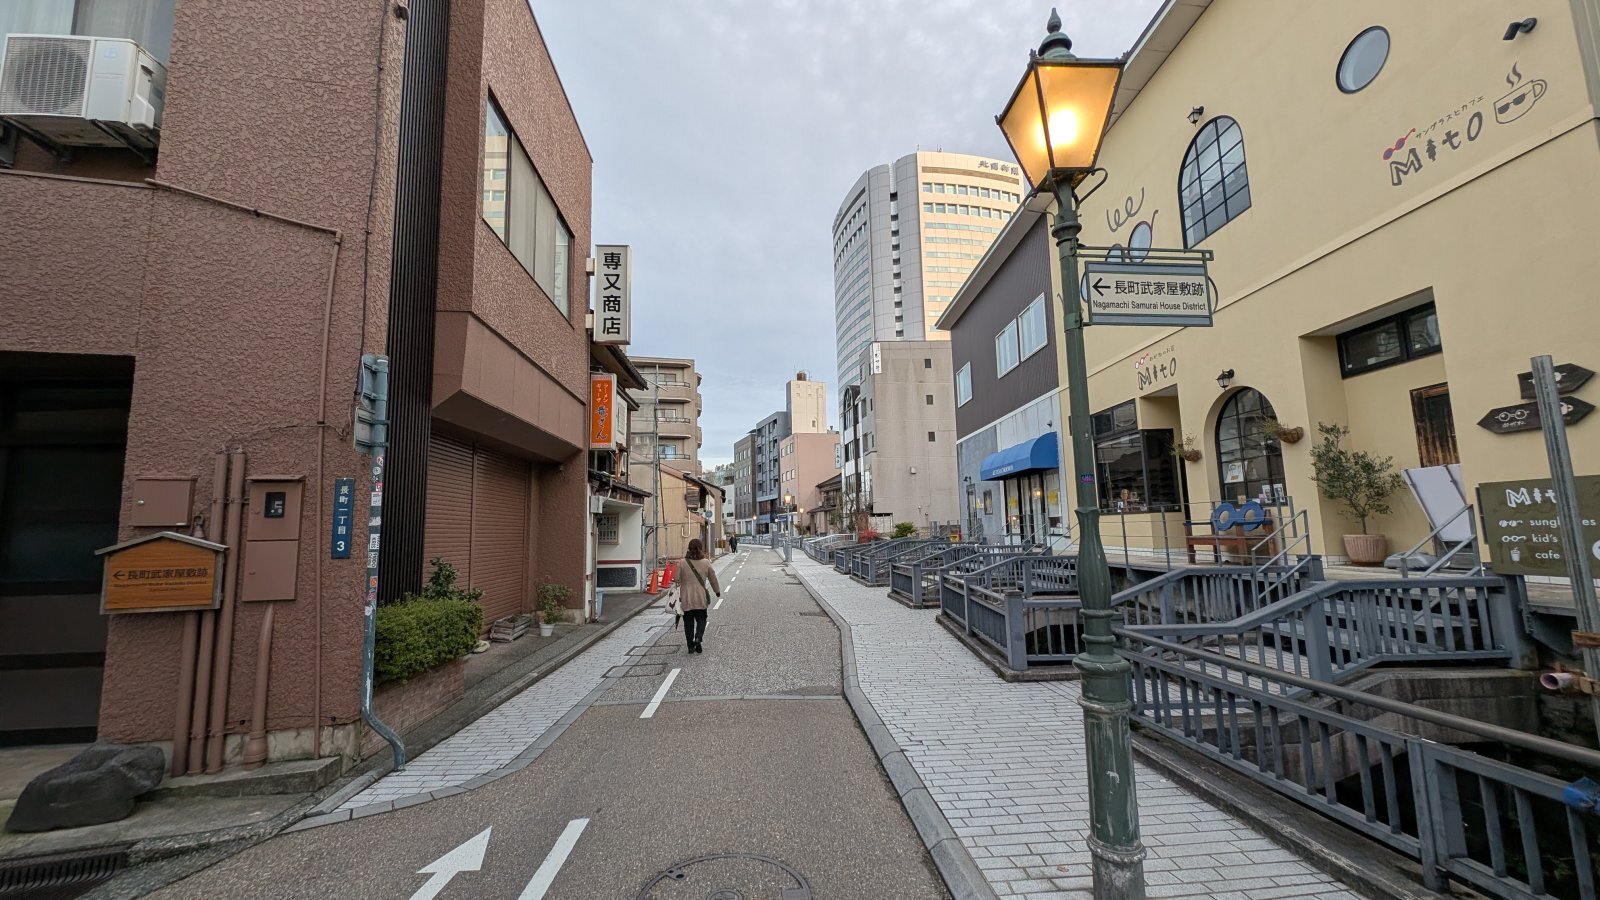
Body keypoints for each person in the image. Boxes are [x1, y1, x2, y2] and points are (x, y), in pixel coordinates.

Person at [675, 539, 721, 654]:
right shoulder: (706, 562)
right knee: (702, 619)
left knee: (688, 623)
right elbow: (713, 579)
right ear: (701, 548)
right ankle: (698, 637)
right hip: (700, 597)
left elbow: (676, 579)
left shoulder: (682, 562)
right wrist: (717, 591)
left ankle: (690, 646)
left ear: (689, 548)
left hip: (687, 598)